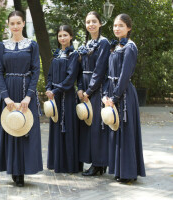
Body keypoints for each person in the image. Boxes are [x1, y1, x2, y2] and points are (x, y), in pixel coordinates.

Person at [0, 11, 43, 187]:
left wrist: (29, 96)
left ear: (23, 24)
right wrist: (5, 97)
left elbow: (36, 71)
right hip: (8, 90)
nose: (15, 26)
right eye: (12, 23)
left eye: (18, 23)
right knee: (11, 129)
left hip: (25, 89)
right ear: (8, 25)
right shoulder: (1, 46)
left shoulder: (32, 45)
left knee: (25, 130)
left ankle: (23, 170)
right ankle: (13, 169)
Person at [103, 13, 146, 182]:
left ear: (128, 28)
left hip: (125, 93)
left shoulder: (130, 47)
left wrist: (114, 97)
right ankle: (120, 171)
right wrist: (106, 95)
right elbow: (109, 74)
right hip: (113, 92)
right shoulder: (115, 47)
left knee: (126, 132)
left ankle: (129, 173)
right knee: (116, 131)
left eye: (120, 25)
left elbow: (124, 75)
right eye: (115, 25)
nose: (117, 28)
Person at [77, 11, 110, 176]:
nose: (91, 24)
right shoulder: (87, 43)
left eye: (94, 21)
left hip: (97, 89)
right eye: (88, 21)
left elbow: (99, 70)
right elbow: (83, 69)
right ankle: (95, 162)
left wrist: (89, 91)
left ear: (100, 23)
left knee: (98, 128)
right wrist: (80, 88)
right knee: (88, 127)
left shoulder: (104, 43)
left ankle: (98, 164)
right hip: (86, 91)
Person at [45, 25, 80, 173]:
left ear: (71, 36)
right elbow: (50, 75)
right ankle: (56, 162)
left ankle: (69, 164)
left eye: (65, 35)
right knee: (56, 125)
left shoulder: (74, 55)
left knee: (68, 127)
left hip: (67, 96)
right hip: (55, 97)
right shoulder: (57, 54)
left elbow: (71, 77)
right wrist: (48, 88)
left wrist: (56, 90)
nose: (62, 38)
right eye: (60, 36)